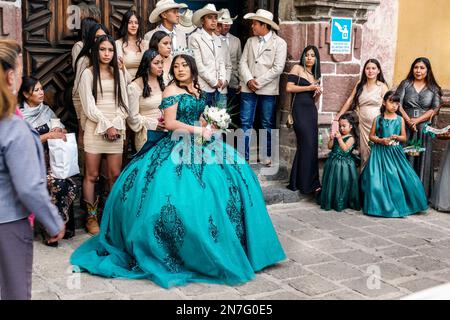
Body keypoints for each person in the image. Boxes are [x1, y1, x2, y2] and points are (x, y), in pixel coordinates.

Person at [70, 53, 286, 288]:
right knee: (185, 195)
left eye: (184, 65)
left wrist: (212, 123)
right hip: (177, 145)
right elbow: (171, 124)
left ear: (193, 69)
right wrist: (197, 130)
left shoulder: (197, 89)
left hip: (202, 143)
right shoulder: (171, 91)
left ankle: (247, 245)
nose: (180, 69)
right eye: (176, 66)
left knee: (237, 178)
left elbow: (201, 117)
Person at [0, 49, 64, 300]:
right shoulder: (13, 126)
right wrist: (52, 220)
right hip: (8, 221)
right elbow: (28, 186)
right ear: (9, 77)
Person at [78, 35, 129, 235]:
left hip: (116, 128)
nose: (107, 53)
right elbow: (88, 106)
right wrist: (106, 125)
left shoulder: (119, 73)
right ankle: (91, 218)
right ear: (96, 51)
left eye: (110, 50)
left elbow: (125, 102)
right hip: (95, 127)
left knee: (115, 175)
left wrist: (115, 124)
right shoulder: (88, 74)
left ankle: (111, 215)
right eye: (102, 49)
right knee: (92, 175)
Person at [17, 77, 77, 245]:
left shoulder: (47, 111)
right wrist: (48, 135)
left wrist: (60, 129)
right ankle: (51, 230)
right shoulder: (19, 114)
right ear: (25, 94)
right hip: (29, 165)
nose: (41, 92)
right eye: (36, 90)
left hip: (51, 161)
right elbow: (21, 142)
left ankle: (59, 227)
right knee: (52, 183)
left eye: (42, 88)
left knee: (63, 181)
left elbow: (60, 131)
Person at [360, 91, 428, 218]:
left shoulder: (400, 119)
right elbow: (371, 136)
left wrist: (397, 137)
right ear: (384, 102)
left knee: (401, 176)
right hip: (379, 153)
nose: (394, 106)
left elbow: (404, 138)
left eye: (397, 103)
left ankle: (404, 203)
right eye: (391, 102)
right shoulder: (378, 119)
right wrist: (381, 140)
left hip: (395, 152)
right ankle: (378, 205)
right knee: (376, 178)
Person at [239, 9, 287, 165]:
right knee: (245, 121)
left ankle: (267, 155)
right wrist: (248, 80)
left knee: (267, 122)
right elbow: (243, 62)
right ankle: (243, 156)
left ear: (264, 25)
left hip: (267, 88)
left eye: (255, 23)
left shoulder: (280, 43)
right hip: (248, 87)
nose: (252, 26)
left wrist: (257, 82)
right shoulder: (250, 41)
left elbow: (278, 68)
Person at [395, 57, 442, 198]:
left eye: (422, 68)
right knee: (405, 156)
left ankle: (420, 195)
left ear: (427, 70)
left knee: (422, 159)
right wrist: (409, 120)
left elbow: (435, 109)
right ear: (412, 69)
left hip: (423, 128)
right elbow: (398, 103)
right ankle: (403, 193)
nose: (418, 71)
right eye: (416, 67)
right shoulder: (405, 84)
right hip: (405, 126)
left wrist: (418, 120)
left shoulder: (434, 88)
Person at [334, 59, 389, 168]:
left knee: (375, 152)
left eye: (373, 68)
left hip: (377, 124)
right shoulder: (360, 84)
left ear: (378, 71)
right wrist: (338, 116)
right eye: (368, 68)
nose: (370, 71)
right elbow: (350, 100)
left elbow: (388, 105)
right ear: (364, 70)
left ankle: (375, 181)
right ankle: (364, 181)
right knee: (364, 154)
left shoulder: (382, 86)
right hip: (363, 124)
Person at [286, 45, 322, 194]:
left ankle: (302, 182)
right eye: (307, 55)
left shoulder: (315, 76)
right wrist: (309, 88)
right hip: (299, 111)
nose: (309, 58)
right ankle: (305, 183)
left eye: (313, 55)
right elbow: (289, 88)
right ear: (303, 56)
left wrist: (318, 92)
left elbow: (315, 100)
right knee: (306, 142)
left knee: (310, 146)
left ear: (316, 59)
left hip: (311, 111)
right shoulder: (297, 68)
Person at [189, 3, 230, 108]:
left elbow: (221, 61)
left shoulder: (217, 39)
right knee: (201, 121)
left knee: (216, 121)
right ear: (202, 21)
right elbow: (198, 65)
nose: (214, 21)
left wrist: (222, 78)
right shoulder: (195, 37)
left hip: (218, 88)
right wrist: (214, 81)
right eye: (210, 17)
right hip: (202, 87)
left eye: (216, 18)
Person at [318, 114, 360, 212]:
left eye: (344, 126)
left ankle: (341, 201)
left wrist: (340, 138)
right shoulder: (338, 135)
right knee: (332, 182)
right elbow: (329, 147)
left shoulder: (351, 138)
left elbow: (345, 149)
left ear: (350, 126)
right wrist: (332, 139)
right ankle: (331, 200)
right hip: (333, 162)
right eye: (340, 126)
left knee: (342, 182)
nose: (341, 128)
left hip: (344, 164)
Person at [72, 23, 108, 135]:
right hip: (84, 101)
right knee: (84, 132)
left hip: (103, 103)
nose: (99, 40)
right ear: (91, 38)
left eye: (103, 37)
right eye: (97, 37)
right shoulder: (85, 59)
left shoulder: (108, 58)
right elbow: (78, 85)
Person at [127, 49, 166, 151]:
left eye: (161, 62)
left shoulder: (163, 83)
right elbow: (132, 117)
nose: (160, 66)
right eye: (156, 63)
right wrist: (154, 124)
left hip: (165, 133)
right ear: (147, 65)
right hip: (147, 135)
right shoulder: (134, 86)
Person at [217, 9, 242, 124]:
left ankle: (231, 139)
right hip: (217, 82)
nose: (227, 26)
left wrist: (240, 82)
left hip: (233, 82)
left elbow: (239, 62)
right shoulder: (214, 39)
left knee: (231, 114)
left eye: (229, 24)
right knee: (217, 112)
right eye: (224, 24)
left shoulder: (236, 40)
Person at [115, 9, 149, 83]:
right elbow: (119, 68)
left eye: (136, 23)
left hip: (145, 83)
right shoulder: (118, 44)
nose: (133, 25)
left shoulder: (146, 44)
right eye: (130, 22)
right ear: (125, 24)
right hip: (126, 83)